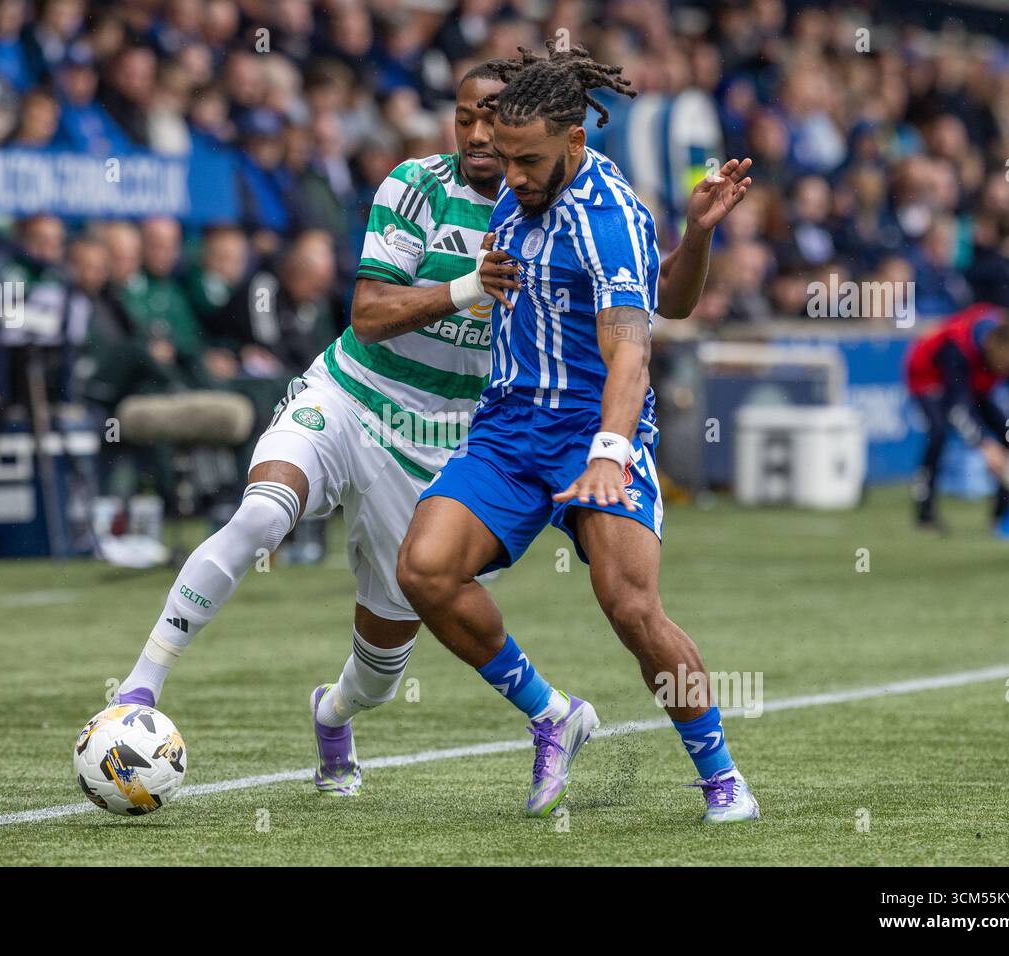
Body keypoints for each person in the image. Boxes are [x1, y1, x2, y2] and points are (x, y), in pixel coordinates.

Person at [112, 59, 522, 796]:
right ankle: (139, 688)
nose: (476, 131)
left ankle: (332, 716)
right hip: (353, 394)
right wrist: (469, 288)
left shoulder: (549, 213)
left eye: (492, 115)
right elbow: (368, 312)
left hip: (435, 448)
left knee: (377, 678)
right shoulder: (416, 185)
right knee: (264, 513)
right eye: (464, 116)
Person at [395, 42, 760, 823]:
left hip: (595, 430)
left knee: (630, 607)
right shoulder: (518, 191)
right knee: (425, 570)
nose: (512, 175)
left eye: (527, 161)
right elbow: (667, 292)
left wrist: (609, 452)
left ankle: (722, 776)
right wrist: (695, 239)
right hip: (506, 430)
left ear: (576, 143)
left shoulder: (608, 217)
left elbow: (634, 343)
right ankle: (553, 714)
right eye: (503, 158)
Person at [905, 303, 1009, 531]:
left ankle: (1002, 515)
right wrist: (984, 444)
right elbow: (958, 407)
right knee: (939, 432)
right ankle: (925, 510)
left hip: (973, 384)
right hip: (929, 379)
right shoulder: (957, 347)